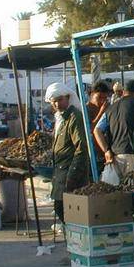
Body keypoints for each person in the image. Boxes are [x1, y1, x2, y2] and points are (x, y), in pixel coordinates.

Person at [45, 83, 89, 227]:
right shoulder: (61, 118)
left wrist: (73, 174)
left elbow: (81, 148)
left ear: (68, 98)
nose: (57, 104)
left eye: (60, 99)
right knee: (60, 207)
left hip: (70, 170)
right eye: (54, 101)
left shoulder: (74, 117)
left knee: (66, 208)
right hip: (60, 170)